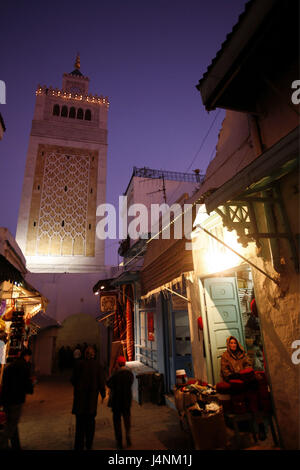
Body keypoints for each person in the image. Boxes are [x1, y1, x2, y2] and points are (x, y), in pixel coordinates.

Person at [71, 345, 106, 450]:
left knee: (80, 426)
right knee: (90, 425)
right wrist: (103, 394)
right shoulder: (97, 366)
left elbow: (73, 380)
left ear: (85, 354)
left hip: (80, 401)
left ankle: (79, 446)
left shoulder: (78, 364)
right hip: (91, 402)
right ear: (93, 355)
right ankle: (89, 445)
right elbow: (101, 382)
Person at [0, 348, 34, 450]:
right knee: (12, 424)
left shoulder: (10, 366)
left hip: (6, 399)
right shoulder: (24, 366)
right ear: (26, 356)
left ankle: (16, 445)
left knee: (11, 422)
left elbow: (5, 382)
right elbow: (25, 383)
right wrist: (31, 387)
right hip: (16, 399)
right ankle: (2, 442)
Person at [107, 356, 134, 450]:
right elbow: (131, 382)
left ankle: (119, 442)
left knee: (117, 422)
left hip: (117, 402)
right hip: (126, 401)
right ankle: (128, 436)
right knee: (127, 420)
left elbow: (108, 383)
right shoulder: (129, 374)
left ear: (118, 364)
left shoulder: (115, 375)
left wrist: (113, 372)